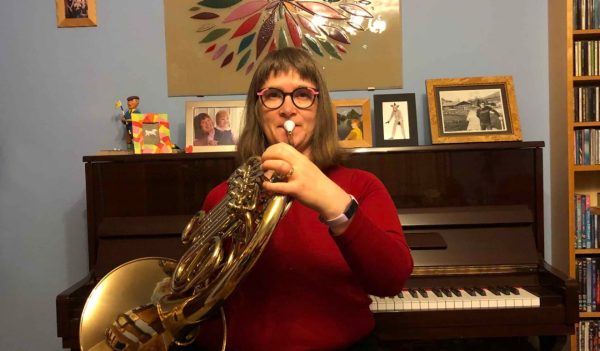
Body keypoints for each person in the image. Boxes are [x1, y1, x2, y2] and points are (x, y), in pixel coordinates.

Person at [194, 47, 413, 351]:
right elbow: (201, 301)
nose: (287, 109)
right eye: (273, 95)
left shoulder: (362, 186)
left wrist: (334, 203)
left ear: (318, 107)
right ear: (258, 109)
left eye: (302, 94)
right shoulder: (223, 195)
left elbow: (391, 281)